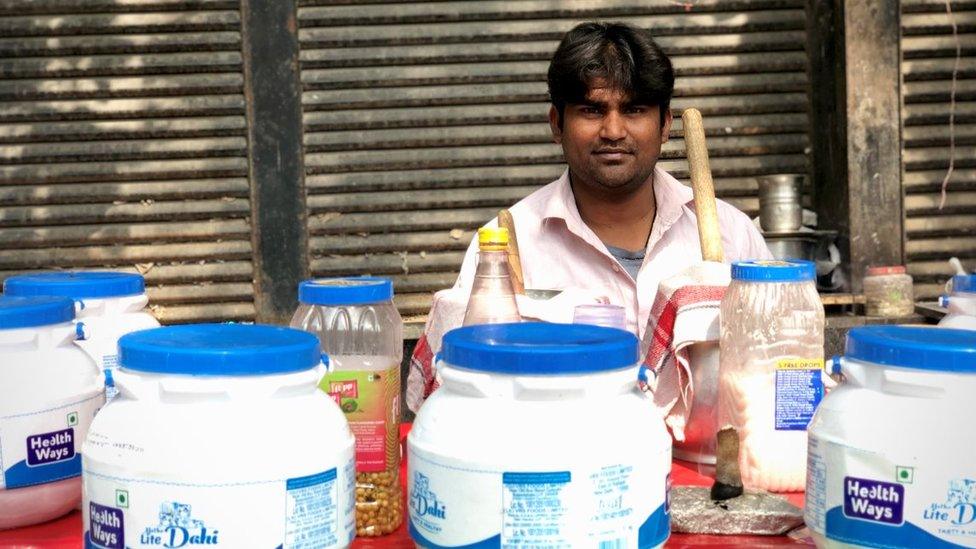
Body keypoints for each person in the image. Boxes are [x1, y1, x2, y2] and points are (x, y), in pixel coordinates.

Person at [407, 21, 771, 412]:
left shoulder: (731, 236)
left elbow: (776, 372)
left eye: (633, 109)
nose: (613, 130)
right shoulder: (503, 245)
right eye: (591, 110)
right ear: (556, 124)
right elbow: (460, 395)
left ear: (665, 124)